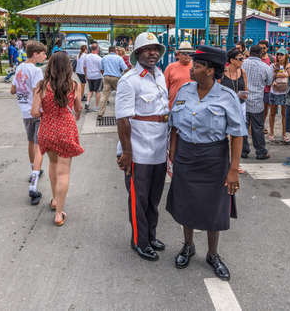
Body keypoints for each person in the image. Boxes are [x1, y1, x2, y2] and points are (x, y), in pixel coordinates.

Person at [166, 45, 247, 280]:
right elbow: (174, 123)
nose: (193, 69)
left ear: (211, 70)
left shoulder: (226, 97)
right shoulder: (185, 90)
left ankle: (213, 254)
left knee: (214, 208)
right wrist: (172, 149)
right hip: (186, 155)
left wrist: (233, 169)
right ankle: (188, 246)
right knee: (186, 203)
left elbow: (238, 134)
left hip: (214, 158)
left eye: (198, 66)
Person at [115, 32, 168, 262]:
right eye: (147, 49)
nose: (153, 52)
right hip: (138, 150)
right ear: (138, 53)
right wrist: (127, 152)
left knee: (154, 199)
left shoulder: (160, 76)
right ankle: (140, 240)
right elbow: (122, 119)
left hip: (158, 148)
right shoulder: (129, 80)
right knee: (139, 199)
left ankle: (151, 235)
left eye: (155, 48)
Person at [31, 51, 83, 225]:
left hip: (47, 130)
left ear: (50, 66)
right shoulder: (74, 85)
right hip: (66, 130)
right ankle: (59, 213)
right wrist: (74, 115)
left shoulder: (41, 86)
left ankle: (54, 200)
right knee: (64, 171)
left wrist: (47, 111)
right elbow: (79, 108)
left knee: (53, 165)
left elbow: (34, 112)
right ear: (68, 67)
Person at [10, 41, 47, 205]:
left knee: (31, 141)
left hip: (24, 111)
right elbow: (37, 92)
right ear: (35, 54)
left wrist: (22, 89)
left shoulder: (19, 68)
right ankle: (33, 186)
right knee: (39, 146)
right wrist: (36, 109)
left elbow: (13, 90)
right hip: (36, 112)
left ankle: (34, 169)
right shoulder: (36, 71)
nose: (45, 56)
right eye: (43, 53)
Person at [242, 45, 273, 160]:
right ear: (260, 54)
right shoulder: (265, 67)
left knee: (243, 127)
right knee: (258, 128)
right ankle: (261, 152)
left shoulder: (242, 64)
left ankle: (243, 151)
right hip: (257, 101)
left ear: (250, 53)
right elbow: (269, 82)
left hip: (243, 100)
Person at [97, 46, 128, 119]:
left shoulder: (104, 58)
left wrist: (104, 75)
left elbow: (101, 69)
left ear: (109, 51)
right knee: (120, 95)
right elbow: (125, 68)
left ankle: (100, 113)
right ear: (115, 51)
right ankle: (121, 113)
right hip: (116, 78)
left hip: (106, 77)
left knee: (104, 96)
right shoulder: (119, 58)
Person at [164, 41, 194, 110]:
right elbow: (164, 89)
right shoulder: (170, 67)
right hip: (175, 106)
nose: (187, 56)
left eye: (189, 53)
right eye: (184, 53)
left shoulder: (196, 67)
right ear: (178, 54)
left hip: (192, 106)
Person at [269, 48, 290, 143]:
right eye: (278, 54)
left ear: (286, 56)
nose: (279, 56)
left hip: (285, 92)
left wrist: (283, 75)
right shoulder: (273, 66)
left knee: (284, 114)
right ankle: (271, 133)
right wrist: (277, 76)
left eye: (281, 54)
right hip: (274, 91)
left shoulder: (289, 66)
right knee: (272, 113)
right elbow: (269, 78)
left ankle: (284, 133)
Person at [258, 40, 274, 133]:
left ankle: (262, 125)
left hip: (267, 88)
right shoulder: (256, 58)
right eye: (260, 48)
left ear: (267, 48)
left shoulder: (271, 59)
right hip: (258, 88)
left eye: (264, 48)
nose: (262, 50)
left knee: (265, 109)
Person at [83, 42, 102, 111]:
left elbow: (84, 67)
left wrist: (86, 75)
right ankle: (96, 107)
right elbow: (101, 69)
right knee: (97, 91)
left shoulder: (86, 57)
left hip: (89, 76)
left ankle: (87, 102)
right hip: (97, 76)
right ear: (97, 49)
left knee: (90, 90)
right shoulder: (99, 58)